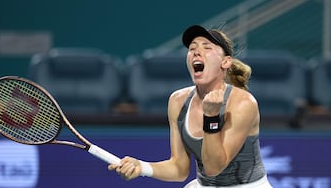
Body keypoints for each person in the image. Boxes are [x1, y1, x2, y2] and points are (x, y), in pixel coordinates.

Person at [108, 25, 273, 188]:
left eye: (207, 47)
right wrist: (142, 167)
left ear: (225, 61)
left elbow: (213, 168)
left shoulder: (243, 103)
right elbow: (179, 168)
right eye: (192, 48)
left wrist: (211, 117)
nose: (196, 51)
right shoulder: (177, 101)